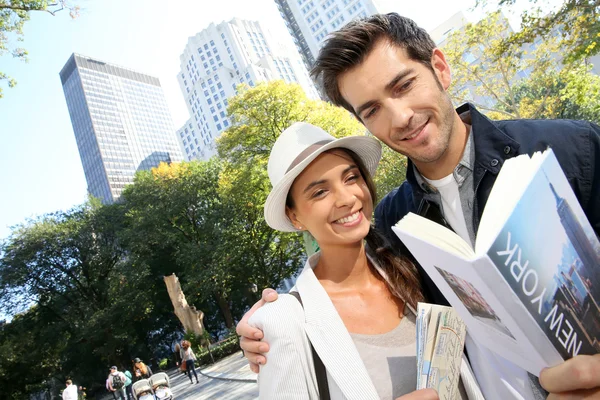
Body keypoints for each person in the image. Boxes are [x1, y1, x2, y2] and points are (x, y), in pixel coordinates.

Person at [236, 12, 600, 400]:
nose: (401, 117)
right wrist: (270, 325)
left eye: (404, 85)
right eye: (372, 110)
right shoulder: (394, 222)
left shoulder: (572, 151)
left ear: (440, 68)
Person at [247, 122, 479, 399]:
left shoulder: (411, 263)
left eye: (351, 177)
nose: (347, 198)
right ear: (294, 216)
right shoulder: (284, 322)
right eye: (320, 192)